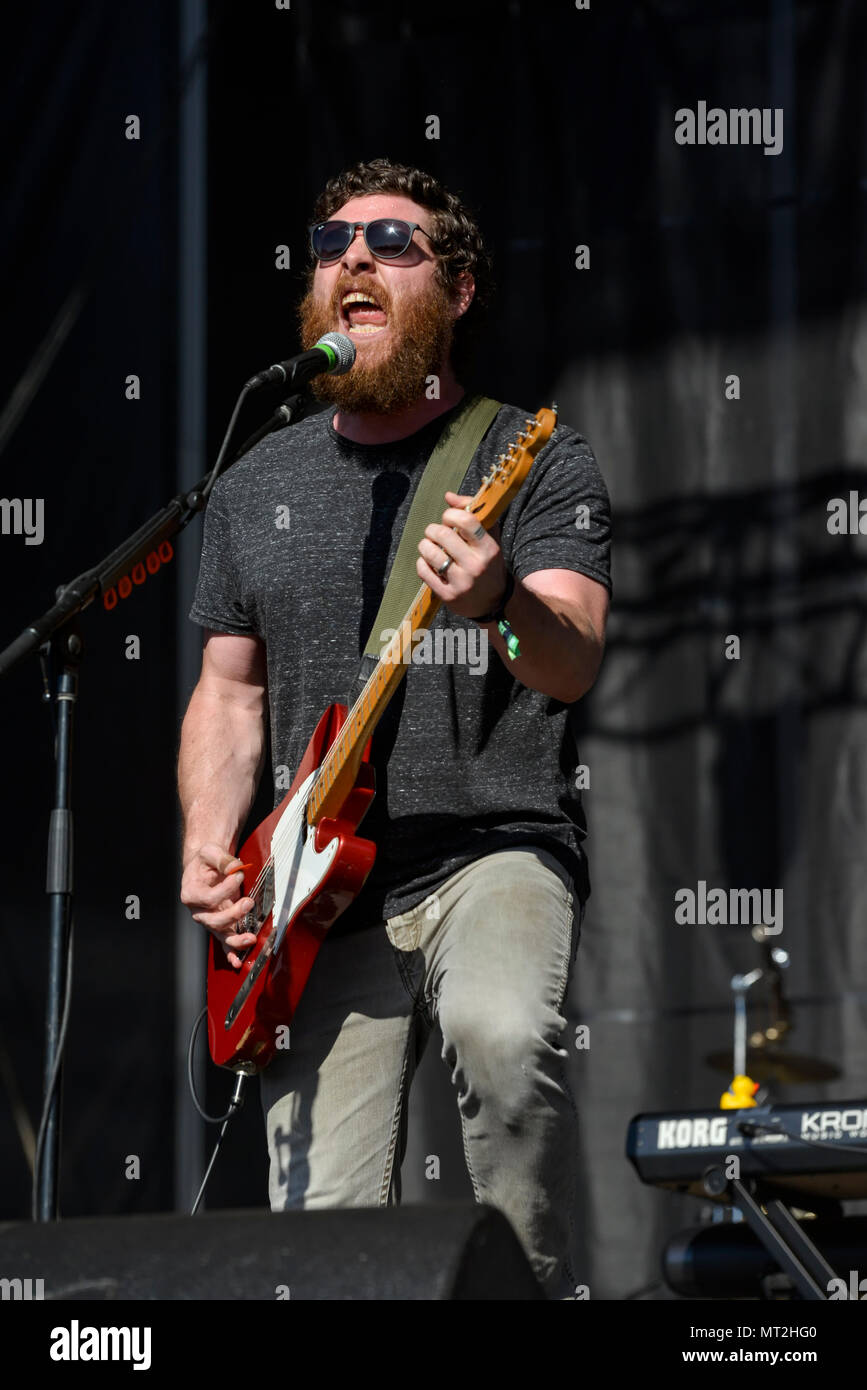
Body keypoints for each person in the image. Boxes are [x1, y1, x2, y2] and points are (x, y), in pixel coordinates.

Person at [178, 158, 611, 1299]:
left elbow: (567, 658)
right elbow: (229, 692)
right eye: (331, 246)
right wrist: (208, 845)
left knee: (502, 1039)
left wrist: (498, 601)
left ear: (459, 290)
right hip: (311, 899)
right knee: (319, 1248)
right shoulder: (252, 483)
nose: (353, 260)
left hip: (492, 844)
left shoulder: (532, 455)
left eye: (390, 241)